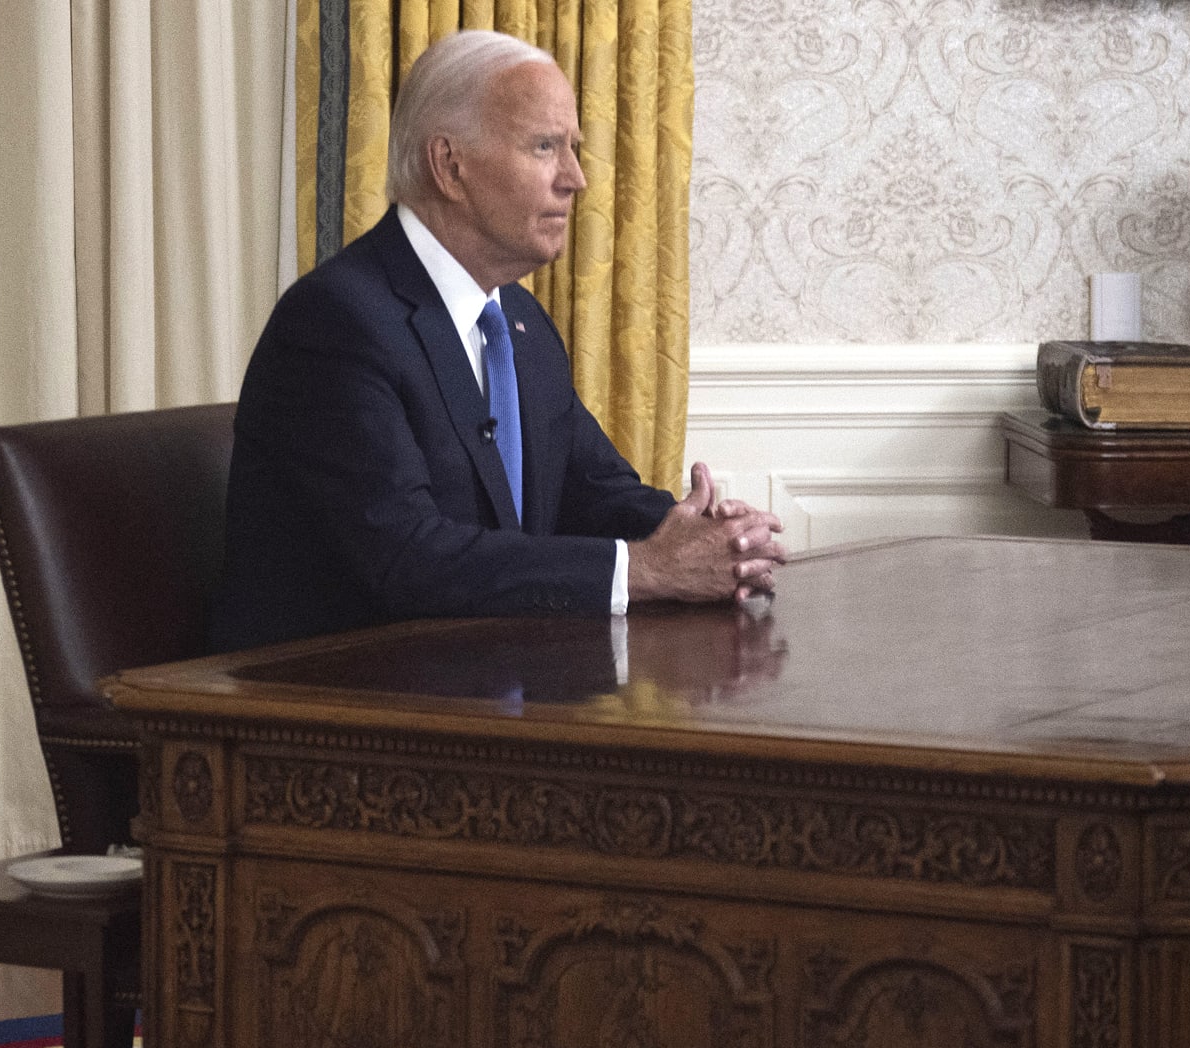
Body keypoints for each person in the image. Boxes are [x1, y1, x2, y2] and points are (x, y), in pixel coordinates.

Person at [211, 30, 781, 653]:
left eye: (573, 149)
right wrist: (647, 570)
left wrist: (708, 539)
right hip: (326, 706)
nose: (576, 178)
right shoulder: (335, 324)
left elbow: (593, 491)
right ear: (450, 166)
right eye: (545, 147)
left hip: (481, 681)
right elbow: (408, 560)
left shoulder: (518, 321)